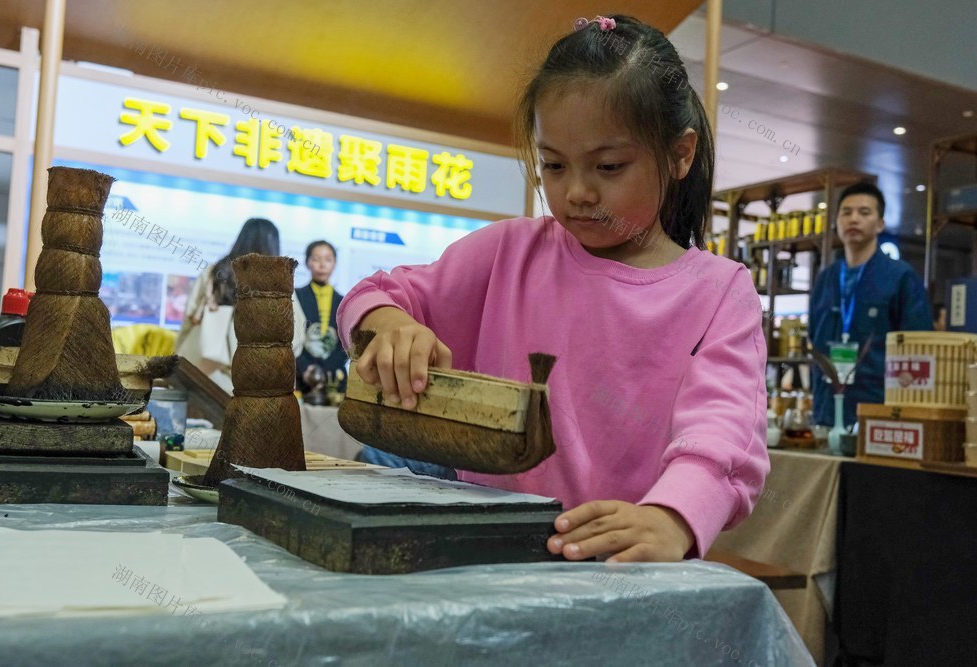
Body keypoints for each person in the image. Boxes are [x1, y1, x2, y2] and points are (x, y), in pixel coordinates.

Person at [336, 15, 768, 563]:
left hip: (616, 568)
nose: (578, 192)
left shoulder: (718, 292)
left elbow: (724, 435)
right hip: (476, 555)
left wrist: (672, 516)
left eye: (608, 166)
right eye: (554, 166)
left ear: (680, 154)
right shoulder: (508, 253)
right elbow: (378, 295)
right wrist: (390, 326)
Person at [809, 182, 932, 428]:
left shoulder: (900, 277)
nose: (854, 219)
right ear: (836, 222)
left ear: (880, 223)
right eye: (846, 212)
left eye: (864, 213)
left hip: (880, 411)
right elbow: (814, 336)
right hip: (827, 408)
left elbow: (919, 346)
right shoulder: (826, 278)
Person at [175, 217, 306, 393]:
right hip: (253, 381)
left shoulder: (215, 272)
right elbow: (296, 332)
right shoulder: (278, 280)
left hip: (206, 373)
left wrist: (179, 353)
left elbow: (190, 316)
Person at [295, 241, 349, 399]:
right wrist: (306, 369)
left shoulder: (344, 301)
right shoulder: (296, 296)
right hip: (301, 377)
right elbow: (293, 337)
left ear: (334, 263)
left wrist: (325, 371)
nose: (322, 265)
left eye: (328, 259)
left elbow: (346, 344)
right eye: (316, 259)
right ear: (307, 262)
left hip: (334, 378)